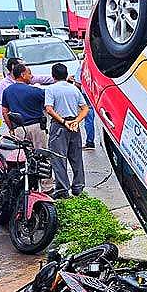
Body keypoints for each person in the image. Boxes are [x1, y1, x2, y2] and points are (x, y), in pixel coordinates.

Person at [45, 63, 88, 198]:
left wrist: (64, 122)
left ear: (53, 76)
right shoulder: (74, 89)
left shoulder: (51, 89)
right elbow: (85, 108)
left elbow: (49, 109)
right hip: (74, 126)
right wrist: (76, 121)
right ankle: (78, 188)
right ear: (66, 74)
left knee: (58, 159)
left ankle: (62, 190)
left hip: (59, 126)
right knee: (76, 158)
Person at [1, 63, 49, 150]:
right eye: (29, 73)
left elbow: (4, 112)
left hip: (19, 130)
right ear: (23, 75)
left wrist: (11, 129)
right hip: (37, 129)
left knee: (23, 159)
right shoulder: (35, 91)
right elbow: (49, 105)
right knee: (42, 158)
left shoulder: (7, 91)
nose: (31, 76)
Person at [73, 63, 96, 150]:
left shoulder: (83, 65)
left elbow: (78, 83)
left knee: (88, 118)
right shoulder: (96, 64)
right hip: (96, 92)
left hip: (86, 94)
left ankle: (90, 142)